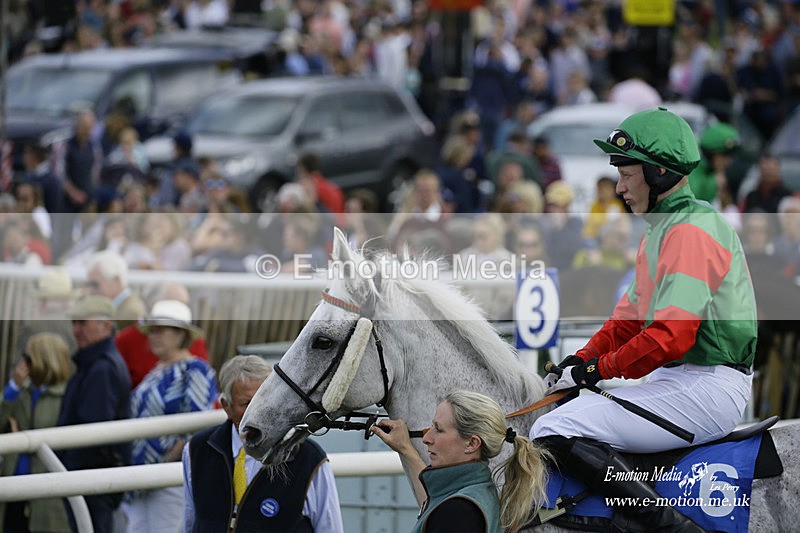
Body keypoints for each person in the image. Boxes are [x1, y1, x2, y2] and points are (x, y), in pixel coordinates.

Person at [531, 108, 756, 532]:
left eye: (627, 175)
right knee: (570, 407)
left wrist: (596, 370)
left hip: (708, 386)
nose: (619, 188)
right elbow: (627, 323)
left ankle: (673, 527)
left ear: (657, 173)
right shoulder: (662, 230)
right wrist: (577, 361)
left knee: (554, 426)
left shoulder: (690, 231)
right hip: (682, 380)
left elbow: (670, 335)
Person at [182, 355, 344, 532]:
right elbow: (190, 523)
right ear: (226, 406)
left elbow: (330, 528)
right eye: (247, 403)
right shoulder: (197, 450)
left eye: (266, 399)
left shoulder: (308, 458)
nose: (259, 412)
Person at [372, 390, 549, 533]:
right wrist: (406, 449)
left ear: (472, 444)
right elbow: (435, 500)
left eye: (438, 429)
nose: (427, 438)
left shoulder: (460, 511)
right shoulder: (472, 496)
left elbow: (444, 508)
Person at [125, 300, 217, 533]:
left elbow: (197, 423)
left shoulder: (196, 369)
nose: (154, 336)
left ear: (179, 335)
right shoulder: (156, 370)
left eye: (161, 330)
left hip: (170, 475)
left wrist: (169, 459)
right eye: (152, 330)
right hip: (140, 475)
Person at [58, 295, 131, 533]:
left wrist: (68, 470)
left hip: (91, 479)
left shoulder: (101, 367)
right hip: (92, 477)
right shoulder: (99, 363)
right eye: (74, 323)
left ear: (105, 326)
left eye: (82, 322)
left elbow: (93, 430)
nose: (76, 329)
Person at [1, 333, 73, 532]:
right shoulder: (21, 392)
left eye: (29, 359)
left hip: (46, 489)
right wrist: (12, 389)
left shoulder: (66, 396)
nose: (23, 364)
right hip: (14, 486)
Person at [86, 250, 146, 330]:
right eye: (89, 285)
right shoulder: (116, 308)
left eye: (95, 285)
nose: (91, 290)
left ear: (116, 280)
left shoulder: (131, 313)